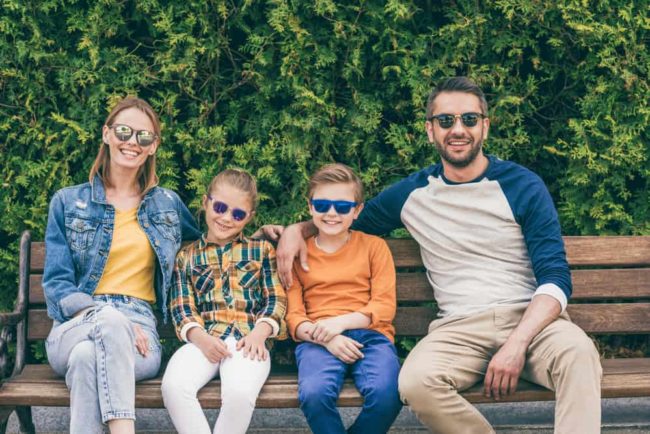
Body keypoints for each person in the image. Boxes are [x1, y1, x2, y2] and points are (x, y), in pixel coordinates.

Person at [273, 77, 602, 434]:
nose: (458, 129)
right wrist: (297, 230)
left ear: (485, 127)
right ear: (430, 131)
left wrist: (517, 343)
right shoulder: (413, 193)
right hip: (458, 329)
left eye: (469, 120)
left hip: (530, 323)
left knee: (579, 355)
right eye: (445, 121)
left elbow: (555, 277)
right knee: (414, 382)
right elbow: (346, 219)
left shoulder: (522, 185)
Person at [43, 96, 201, 434]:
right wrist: (104, 317)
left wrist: (295, 232)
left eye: (144, 137)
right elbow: (56, 286)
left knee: (87, 358)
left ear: (153, 146)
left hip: (140, 333)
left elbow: (214, 239)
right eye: (124, 132)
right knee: (108, 323)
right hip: (74, 326)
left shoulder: (167, 205)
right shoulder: (68, 202)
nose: (132, 142)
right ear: (106, 134)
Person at [161, 169, 287, 434]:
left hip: (249, 340)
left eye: (238, 214)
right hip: (205, 338)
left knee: (240, 393)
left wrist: (259, 335)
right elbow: (182, 307)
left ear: (249, 217)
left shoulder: (261, 251)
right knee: (174, 386)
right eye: (220, 207)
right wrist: (201, 338)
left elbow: (275, 298)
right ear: (206, 202)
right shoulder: (187, 256)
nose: (226, 218)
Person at [285, 163, 402, 434]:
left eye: (342, 206)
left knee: (387, 393)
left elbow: (384, 306)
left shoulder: (374, 247)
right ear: (310, 206)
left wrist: (339, 324)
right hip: (317, 339)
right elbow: (294, 317)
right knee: (314, 394)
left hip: (372, 335)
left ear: (357, 210)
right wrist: (328, 337)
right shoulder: (298, 254)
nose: (332, 213)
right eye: (323, 204)